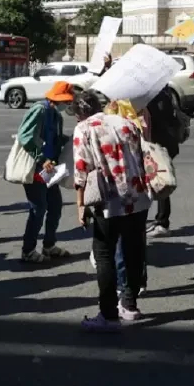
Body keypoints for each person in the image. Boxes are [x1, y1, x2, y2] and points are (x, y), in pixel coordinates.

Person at [71, 89, 152, 331]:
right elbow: (140, 154)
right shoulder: (126, 123)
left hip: (109, 200)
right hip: (137, 196)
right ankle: (129, 304)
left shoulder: (84, 128)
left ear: (79, 113)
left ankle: (108, 314)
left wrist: (80, 204)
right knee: (134, 250)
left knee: (104, 252)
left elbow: (81, 170)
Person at [15, 81, 73, 263]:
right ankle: (28, 250)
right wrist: (41, 157)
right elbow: (25, 135)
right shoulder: (39, 110)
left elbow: (55, 139)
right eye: (66, 101)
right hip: (36, 167)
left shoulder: (56, 116)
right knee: (38, 209)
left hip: (49, 169)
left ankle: (49, 245)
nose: (68, 105)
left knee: (55, 206)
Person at [144, 85, 186, 238]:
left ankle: (162, 222)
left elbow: (160, 119)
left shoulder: (158, 96)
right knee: (154, 182)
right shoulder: (164, 92)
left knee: (160, 181)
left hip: (161, 145)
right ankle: (159, 220)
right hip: (164, 143)